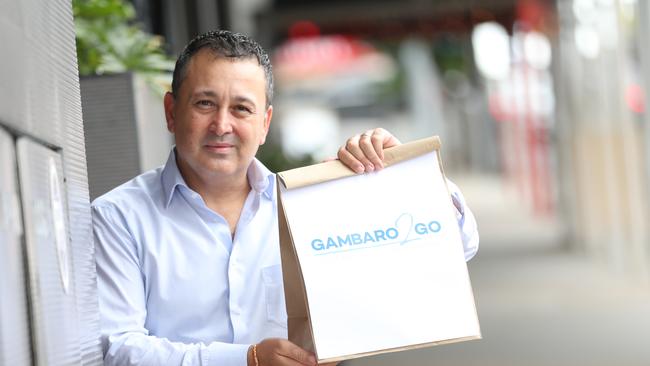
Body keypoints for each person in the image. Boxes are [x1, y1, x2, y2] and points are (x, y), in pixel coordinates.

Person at [92, 30, 479, 366]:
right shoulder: (118, 218)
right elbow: (116, 350)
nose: (222, 125)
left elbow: (457, 246)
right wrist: (246, 361)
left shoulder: (308, 205)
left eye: (241, 108)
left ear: (264, 124)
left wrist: (402, 180)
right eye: (204, 103)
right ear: (171, 112)